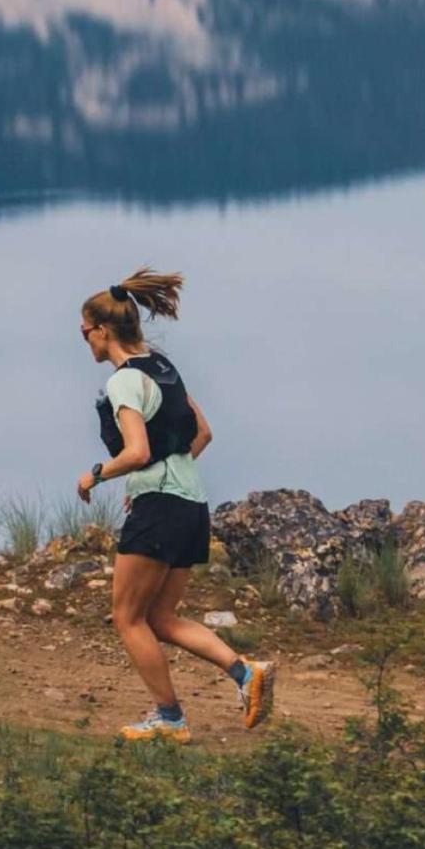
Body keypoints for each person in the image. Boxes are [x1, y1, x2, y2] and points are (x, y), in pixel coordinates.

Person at [76, 267, 276, 742]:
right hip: (191, 506)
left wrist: (96, 475)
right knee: (160, 618)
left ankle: (169, 718)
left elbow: (138, 451)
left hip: (162, 508)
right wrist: (161, 481)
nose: (84, 341)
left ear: (104, 331)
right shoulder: (164, 367)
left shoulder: (124, 382)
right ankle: (246, 674)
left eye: (85, 332)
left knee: (127, 618)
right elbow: (202, 434)